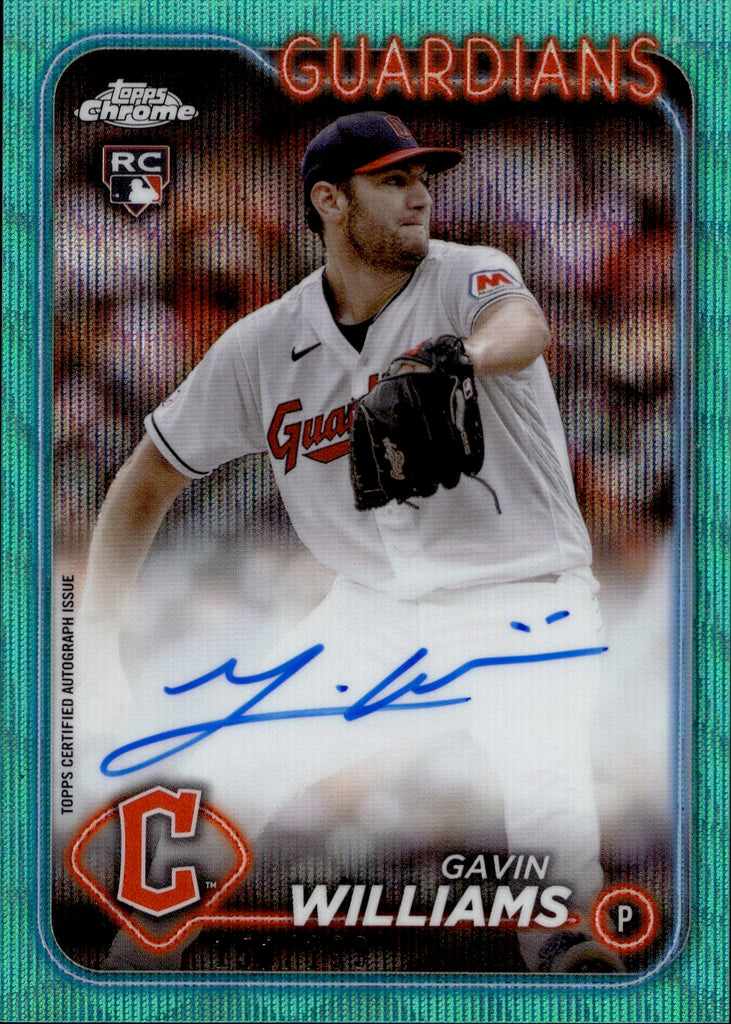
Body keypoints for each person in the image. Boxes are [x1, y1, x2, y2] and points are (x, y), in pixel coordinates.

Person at [83, 110, 620, 972]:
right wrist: (99, 638)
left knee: (546, 798)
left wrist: (461, 359)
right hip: (371, 619)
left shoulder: (468, 274)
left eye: (421, 179)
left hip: (524, 605)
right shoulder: (264, 344)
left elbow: (523, 328)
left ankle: (573, 958)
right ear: (330, 201)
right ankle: (131, 971)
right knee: (231, 772)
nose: (419, 196)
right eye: (392, 180)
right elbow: (145, 480)